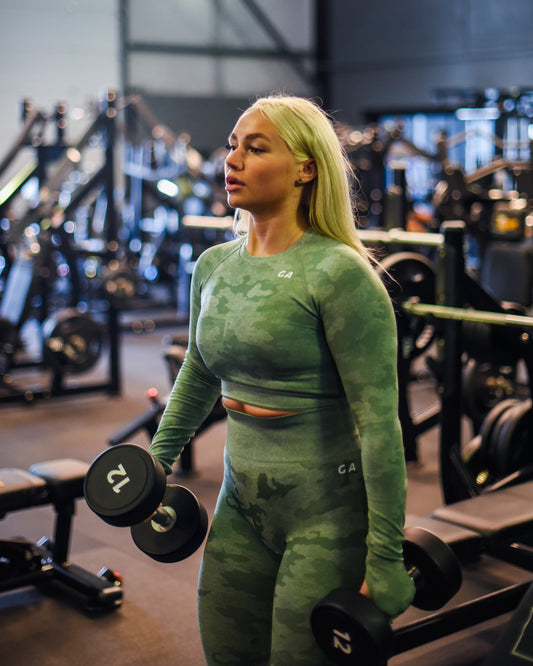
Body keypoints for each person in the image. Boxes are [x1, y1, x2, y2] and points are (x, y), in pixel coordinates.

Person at [149, 93, 415, 665]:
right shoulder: (214, 266)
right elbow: (198, 371)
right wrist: (154, 464)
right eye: (232, 146)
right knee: (226, 653)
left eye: (256, 147)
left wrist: (386, 555)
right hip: (240, 502)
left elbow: (379, 427)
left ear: (306, 168)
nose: (233, 160)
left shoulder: (339, 273)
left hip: (326, 513)